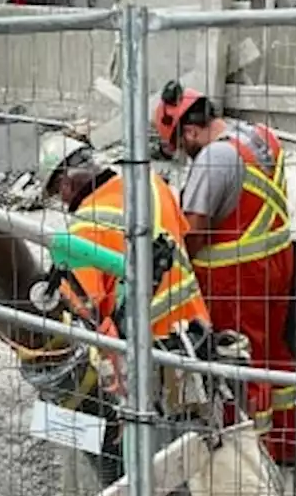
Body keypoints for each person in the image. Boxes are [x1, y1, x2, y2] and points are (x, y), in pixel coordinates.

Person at [151, 81, 296, 465]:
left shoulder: (214, 160)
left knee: (237, 365)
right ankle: (283, 447)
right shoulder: (258, 136)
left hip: (236, 278)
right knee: (272, 353)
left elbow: (192, 233)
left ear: (190, 130)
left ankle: (249, 461)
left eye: (182, 146)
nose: (185, 156)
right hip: (277, 262)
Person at [36, 131, 213, 343]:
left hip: (153, 345)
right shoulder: (151, 182)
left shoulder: (82, 231)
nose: (63, 201)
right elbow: (182, 234)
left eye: (57, 192)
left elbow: (83, 308)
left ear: (66, 184)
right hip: (196, 323)